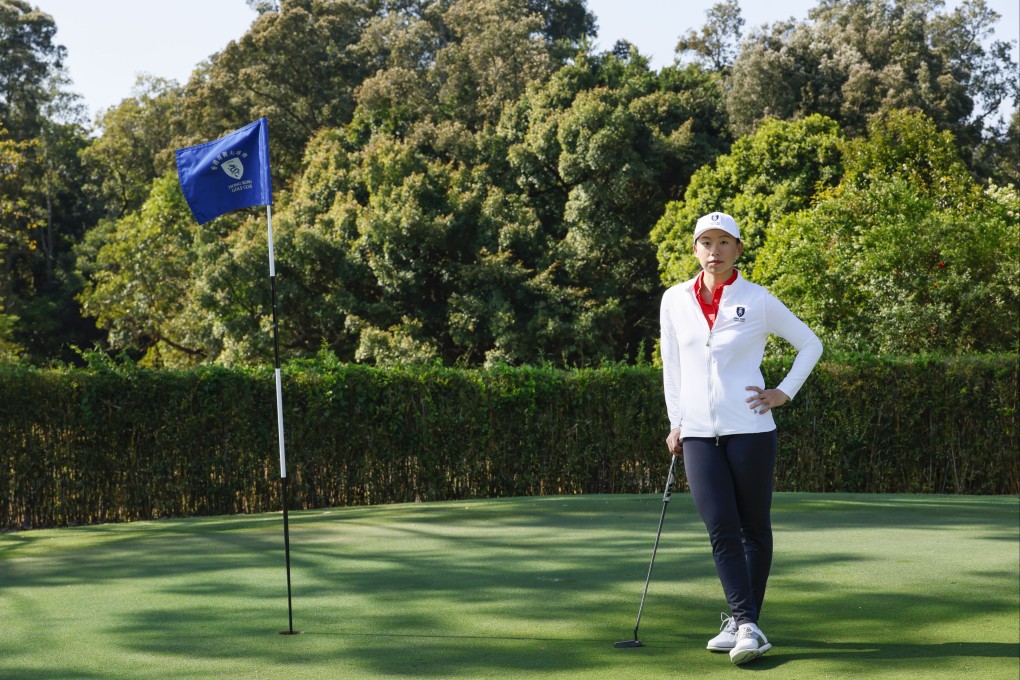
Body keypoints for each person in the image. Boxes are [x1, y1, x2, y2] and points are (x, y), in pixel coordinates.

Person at [659, 212, 823, 665]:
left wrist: (783, 392)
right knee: (720, 528)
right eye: (706, 242)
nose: (715, 250)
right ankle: (744, 620)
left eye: (724, 242)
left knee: (753, 528)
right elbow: (672, 367)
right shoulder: (674, 300)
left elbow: (811, 343)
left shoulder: (758, 298)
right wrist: (676, 421)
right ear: (695, 249)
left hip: (751, 430)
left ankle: (745, 623)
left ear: (738, 249)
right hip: (696, 433)